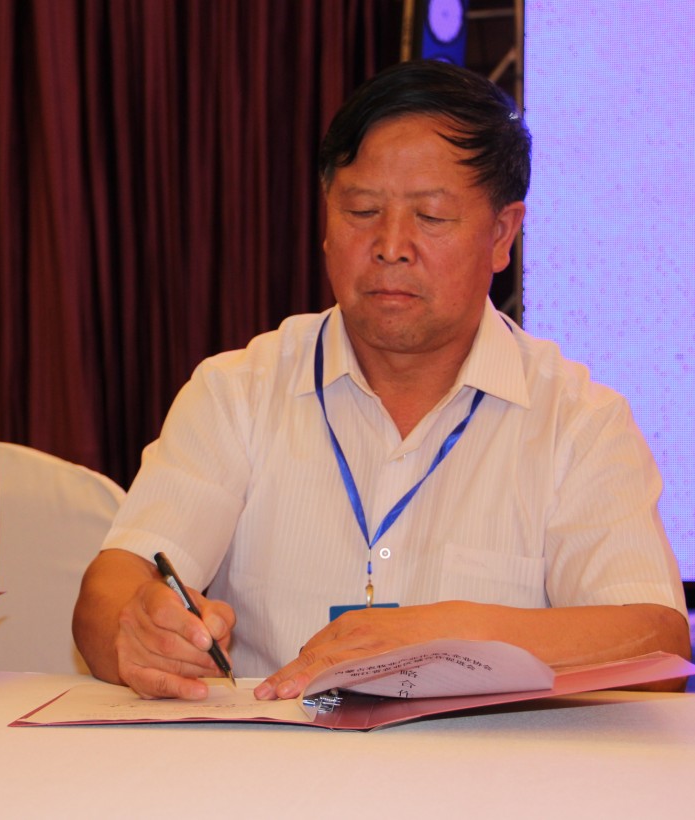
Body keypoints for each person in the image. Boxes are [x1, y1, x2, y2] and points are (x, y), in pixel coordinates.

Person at [72, 60, 690, 700]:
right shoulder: (237, 391)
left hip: (485, 764)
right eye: (362, 210)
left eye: (432, 217)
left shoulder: (578, 420)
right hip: (270, 755)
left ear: (502, 235)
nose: (391, 245)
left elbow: (659, 646)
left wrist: (453, 637)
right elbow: (108, 593)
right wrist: (140, 630)